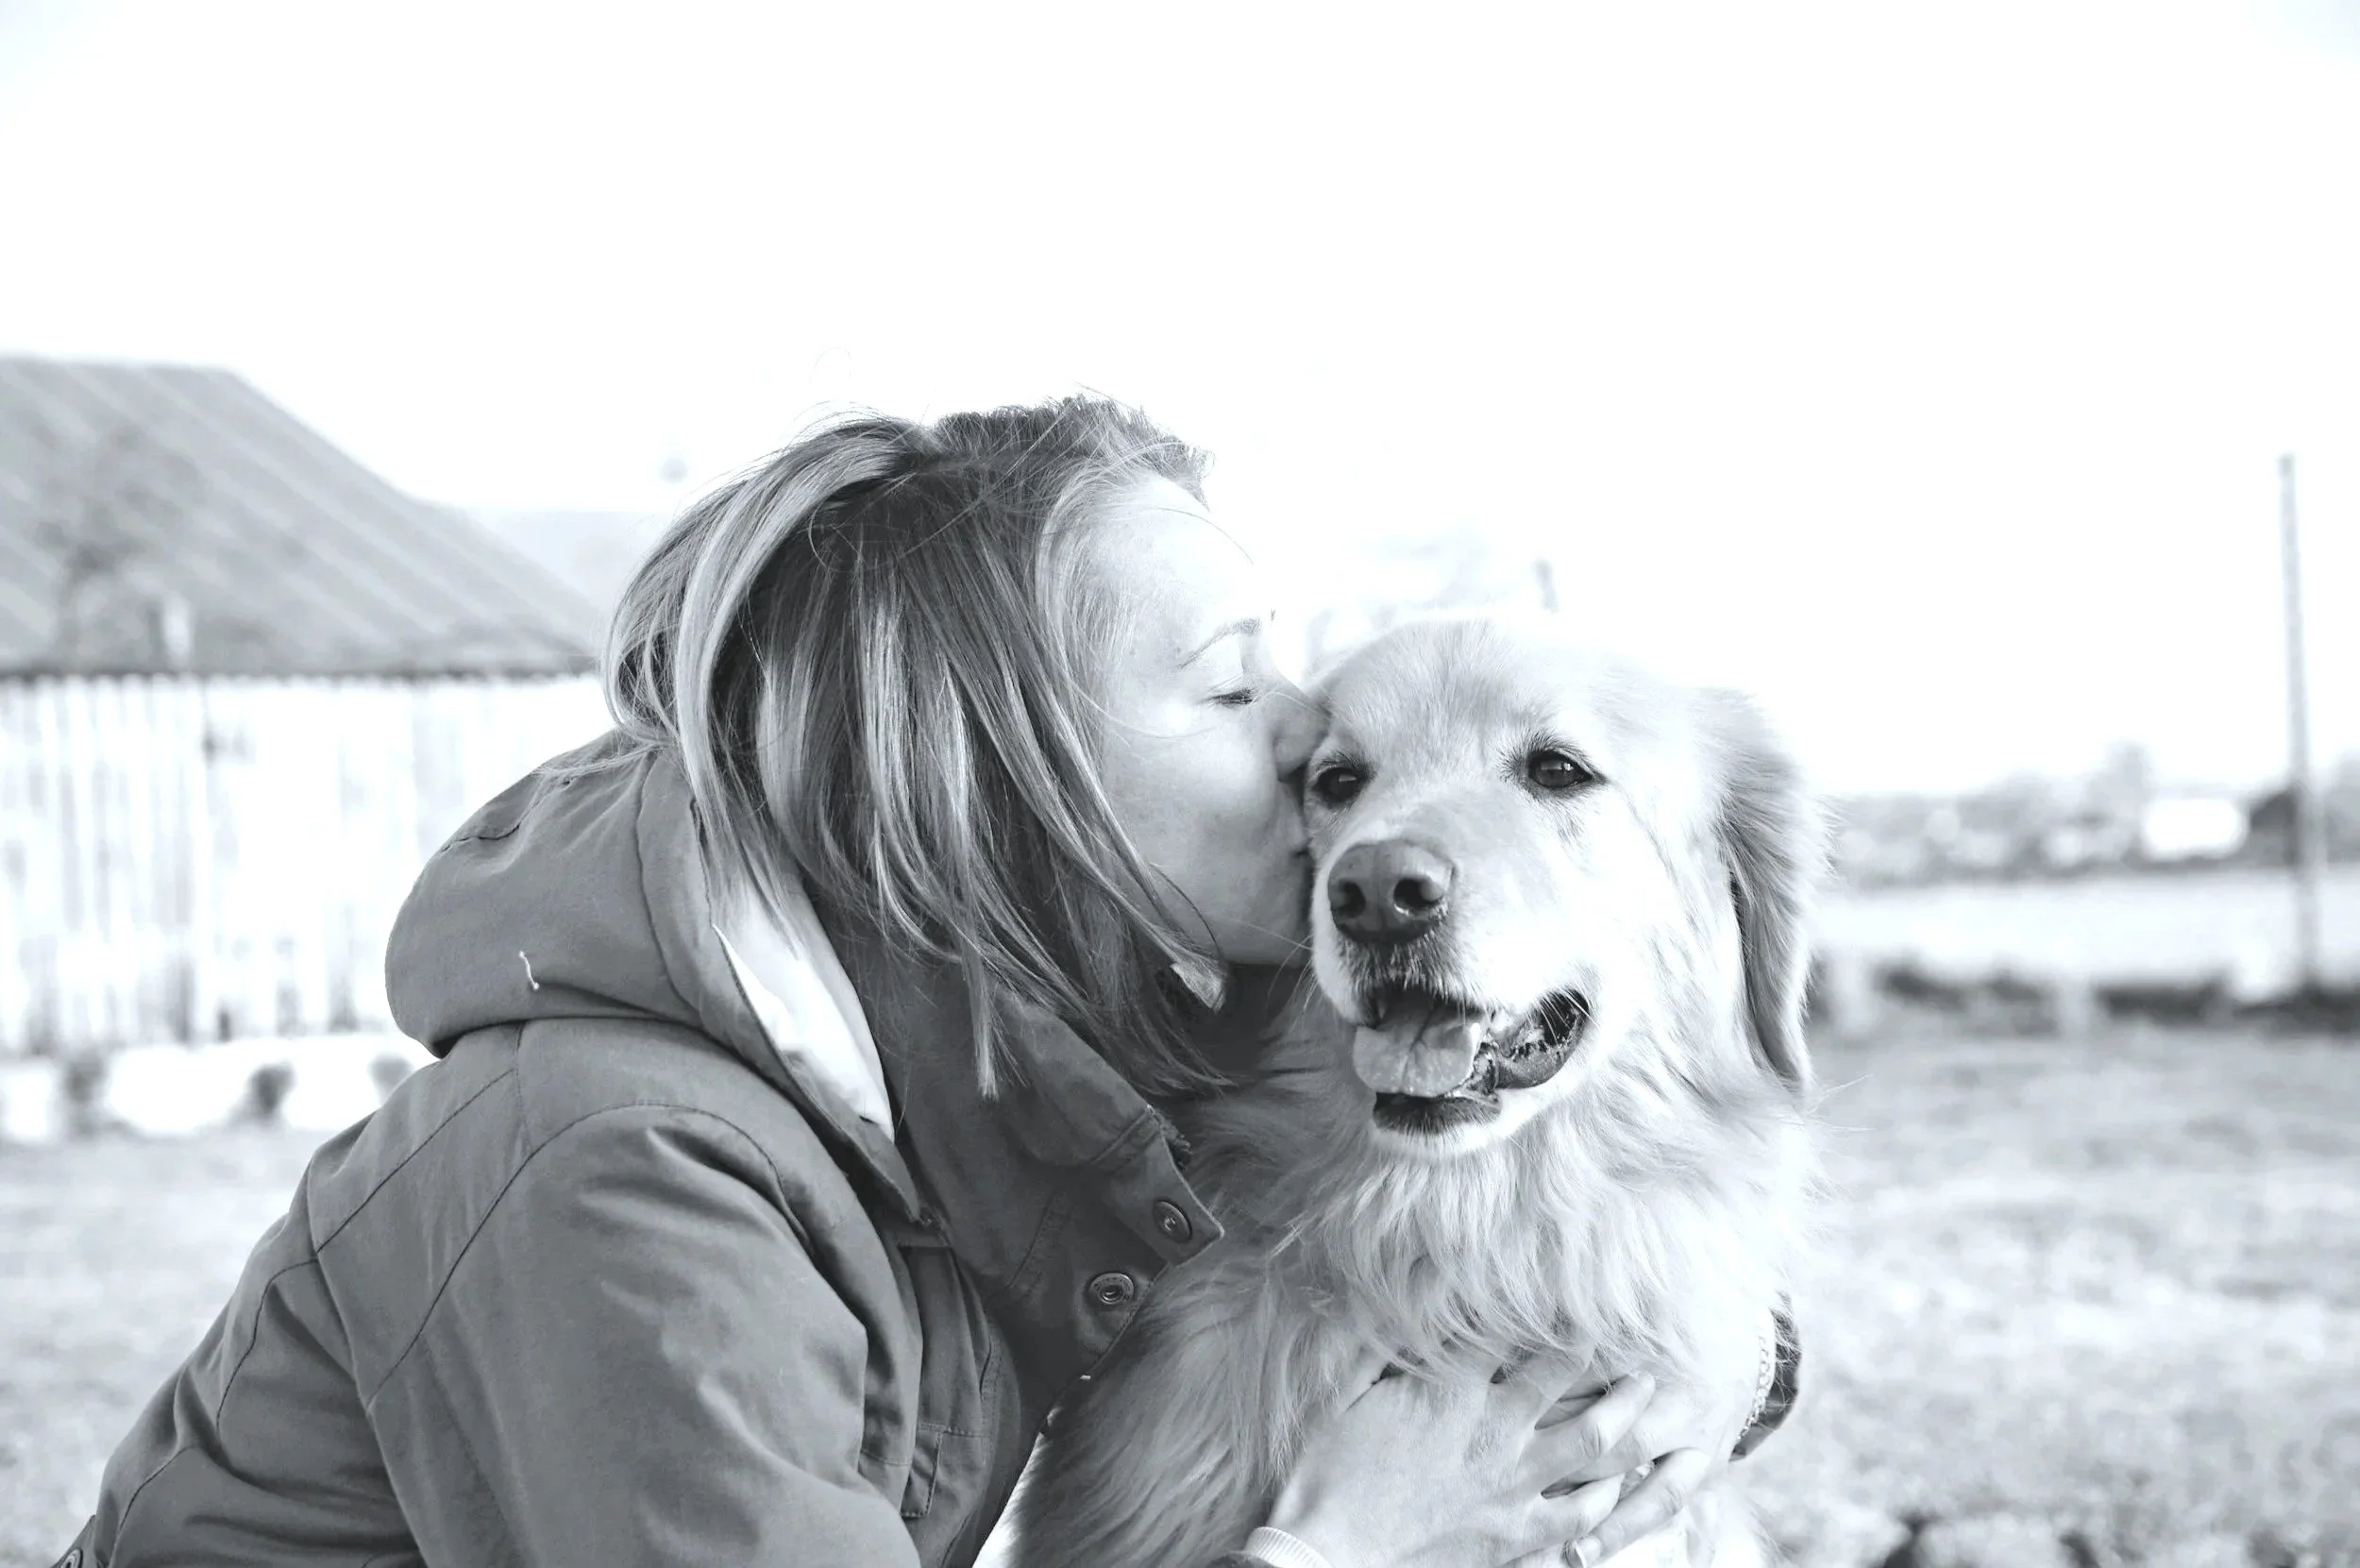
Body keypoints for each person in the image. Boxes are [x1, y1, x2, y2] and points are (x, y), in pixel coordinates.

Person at [59, 396, 1796, 1568]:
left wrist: (1722, 1369)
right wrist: (1339, 1544)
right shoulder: (623, 1172)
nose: (1311, 742)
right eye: (1229, 688)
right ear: (997, 777)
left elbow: (1485, 1238)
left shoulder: (1016, 1056)